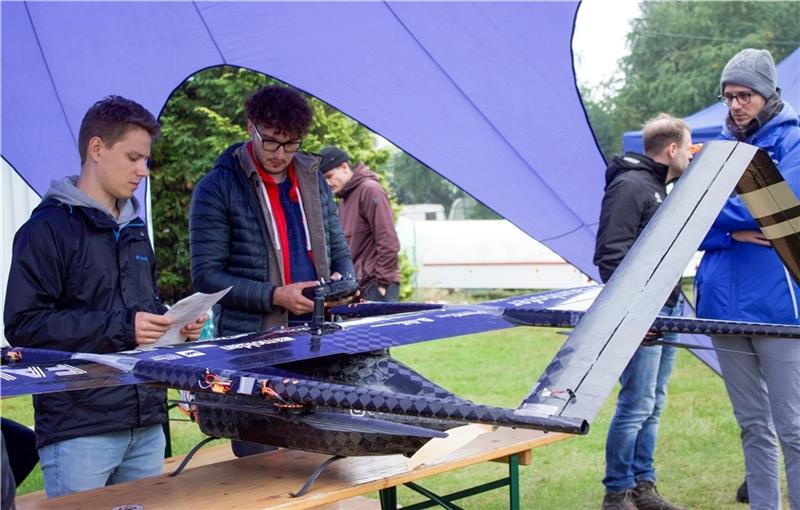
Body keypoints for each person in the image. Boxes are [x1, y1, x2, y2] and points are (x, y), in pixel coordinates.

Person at [3, 96, 206, 497]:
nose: (142, 171)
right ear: (97, 149)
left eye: (146, 160)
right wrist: (124, 327)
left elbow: (139, 314)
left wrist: (175, 325)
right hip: (79, 430)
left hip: (147, 421)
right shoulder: (45, 230)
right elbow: (24, 327)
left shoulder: (134, 229)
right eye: (133, 157)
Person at [189, 85, 354, 456]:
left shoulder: (313, 180)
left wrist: (344, 282)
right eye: (271, 142)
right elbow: (206, 276)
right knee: (259, 465)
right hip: (253, 349)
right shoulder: (217, 187)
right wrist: (275, 296)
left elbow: (340, 252)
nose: (280, 154)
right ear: (251, 127)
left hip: (318, 345)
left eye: (291, 144)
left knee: (326, 458)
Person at [695, 48, 800, 510]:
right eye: (729, 96)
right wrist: (735, 229)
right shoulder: (717, 147)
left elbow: (782, 208)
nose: (736, 105)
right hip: (721, 306)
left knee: (793, 427)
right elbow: (687, 221)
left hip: (778, 306)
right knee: (752, 424)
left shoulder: (794, 141)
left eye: (745, 95)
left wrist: (722, 216)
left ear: (767, 94)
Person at [594, 114, 694, 510]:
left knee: (654, 402)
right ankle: (617, 491)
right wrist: (638, 314)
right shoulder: (631, 185)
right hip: (643, 314)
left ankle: (644, 487)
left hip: (666, 307)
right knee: (636, 403)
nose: (691, 156)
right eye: (688, 149)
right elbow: (609, 256)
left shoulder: (658, 186)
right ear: (672, 150)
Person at [319, 146, 401, 301]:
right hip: (359, 288)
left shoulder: (369, 189)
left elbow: (388, 240)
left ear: (344, 167)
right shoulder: (344, 199)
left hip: (375, 286)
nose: (327, 183)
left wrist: (382, 285)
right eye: (323, 180)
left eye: (329, 176)